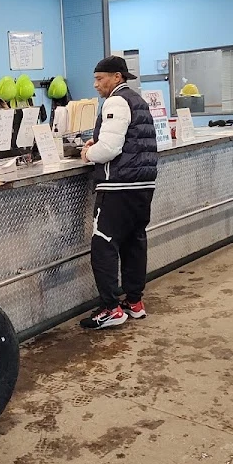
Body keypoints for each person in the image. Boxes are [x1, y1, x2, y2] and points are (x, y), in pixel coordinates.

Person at [80, 56, 158, 330]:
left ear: (117, 77)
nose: (96, 85)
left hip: (118, 186)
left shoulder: (115, 101)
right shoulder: (137, 100)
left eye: (100, 79)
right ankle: (134, 302)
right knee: (134, 243)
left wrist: (88, 152)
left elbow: (110, 149)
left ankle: (112, 308)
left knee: (104, 245)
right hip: (143, 185)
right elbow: (127, 139)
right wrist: (99, 140)